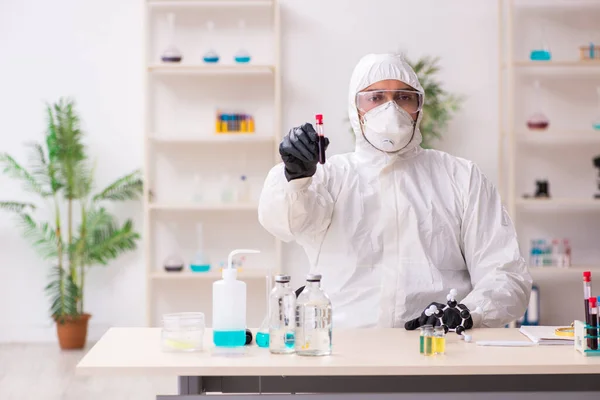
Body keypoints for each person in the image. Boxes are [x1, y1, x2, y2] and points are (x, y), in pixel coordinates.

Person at [258, 53, 532, 329]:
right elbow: (283, 223)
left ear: (418, 106)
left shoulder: (461, 177)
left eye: (403, 97)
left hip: (438, 349)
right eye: (375, 98)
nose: (391, 109)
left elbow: (506, 273)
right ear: (355, 108)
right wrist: (294, 177)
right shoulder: (329, 176)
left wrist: (468, 312)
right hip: (340, 350)